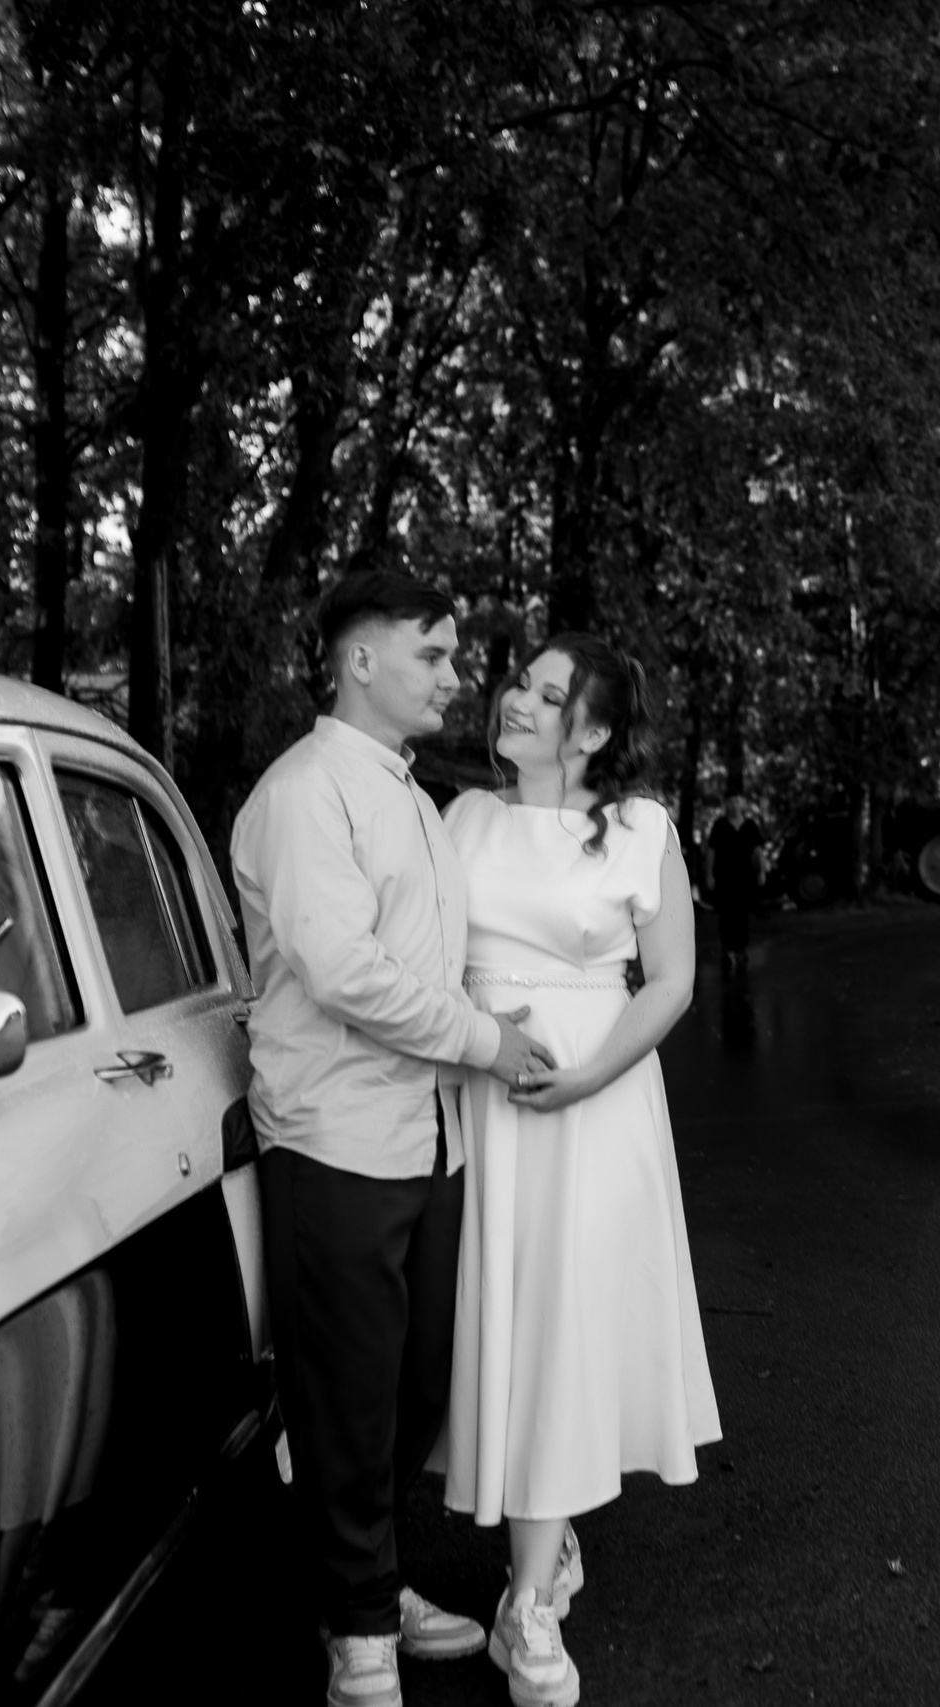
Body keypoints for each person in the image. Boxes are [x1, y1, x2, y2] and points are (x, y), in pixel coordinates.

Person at [232, 571, 560, 1707]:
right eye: (435, 654)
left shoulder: (414, 798)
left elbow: (428, 962)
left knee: (418, 1382)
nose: (456, 677)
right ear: (360, 661)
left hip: (431, 1140)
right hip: (335, 1138)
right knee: (345, 1393)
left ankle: (365, 1581)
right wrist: (486, 1041)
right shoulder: (303, 793)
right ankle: (361, 1629)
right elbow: (343, 973)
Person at [440, 633, 720, 1707]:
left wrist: (590, 1076)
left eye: (547, 693)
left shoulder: (644, 830)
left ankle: (526, 1608)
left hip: (593, 1101)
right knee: (496, 1324)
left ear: (593, 730)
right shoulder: (461, 818)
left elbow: (671, 981)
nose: (515, 699)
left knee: (560, 1326)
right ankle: (542, 1549)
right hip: (478, 1089)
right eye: (519, 681)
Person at [704, 793, 766, 974]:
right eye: (731, 802)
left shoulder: (750, 826)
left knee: (742, 914)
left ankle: (741, 949)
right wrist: (709, 875)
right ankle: (727, 949)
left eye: (738, 801)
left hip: (745, 877)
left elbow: (758, 851)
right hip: (724, 877)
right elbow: (711, 851)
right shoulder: (720, 825)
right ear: (726, 804)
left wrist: (762, 871)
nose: (734, 805)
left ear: (743, 804)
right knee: (726, 914)